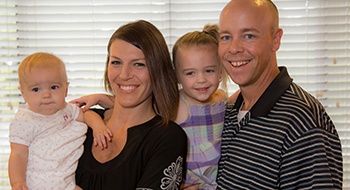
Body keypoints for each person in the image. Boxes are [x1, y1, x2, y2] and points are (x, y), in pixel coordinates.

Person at [71, 24, 230, 190]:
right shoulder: (81, 121)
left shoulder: (167, 138)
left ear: (158, 70)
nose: (124, 75)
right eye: (116, 62)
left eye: (139, 64)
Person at [216, 0, 343, 189]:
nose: (234, 48)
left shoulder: (303, 121)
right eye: (226, 37)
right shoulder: (228, 109)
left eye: (248, 35)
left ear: (275, 40)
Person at [8, 52, 88, 190]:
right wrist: (17, 182)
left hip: (63, 180)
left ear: (66, 89)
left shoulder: (67, 110)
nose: (46, 95)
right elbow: (18, 153)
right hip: (37, 182)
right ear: (23, 93)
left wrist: (98, 126)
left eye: (54, 87)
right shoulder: (25, 119)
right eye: (36, 89)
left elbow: (85, 116)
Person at [172, 24, 228, 189]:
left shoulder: (222, 98)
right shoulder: (178, 103)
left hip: (218, 183)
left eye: (209, 71)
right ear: (177, 76)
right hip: (190, 184)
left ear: (220, 71)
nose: (201, 79)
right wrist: (104, 100)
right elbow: (141, 109)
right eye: (190, 73)